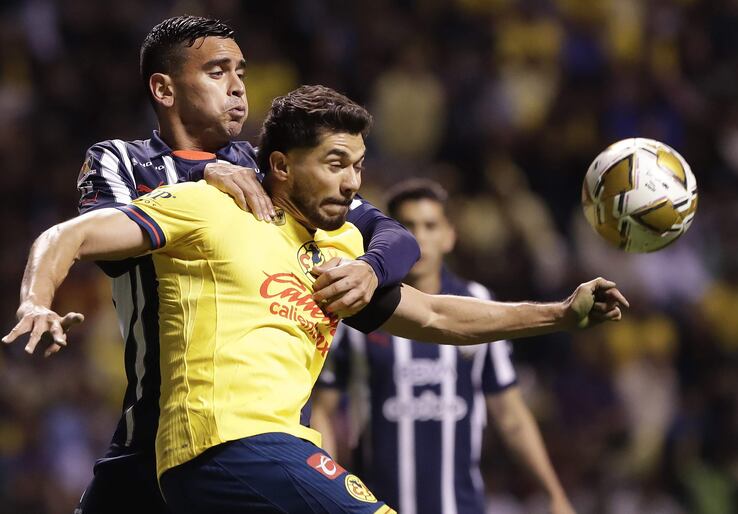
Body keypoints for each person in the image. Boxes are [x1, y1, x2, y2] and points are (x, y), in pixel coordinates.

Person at [4, 84, 627, 514]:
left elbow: (434, 314)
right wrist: (36, 299)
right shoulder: (211, 206)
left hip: (262, 458)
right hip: (225, 444)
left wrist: (559, 313)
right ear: (279, 164)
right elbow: (75, 233)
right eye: (335, 163)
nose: (352, 180)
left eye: (357, 165)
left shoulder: (339, 251)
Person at [68, 15, 419, 514]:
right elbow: (105, 243)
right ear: (164, 89)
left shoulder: (271, 168)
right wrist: (200, 172)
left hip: (250, 433)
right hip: (150, 431)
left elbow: (396, 236)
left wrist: (371, 268)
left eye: (241, 71)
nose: (237, 87)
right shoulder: (120, 161)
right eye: (217, 72)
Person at [312, 179, 577, 514]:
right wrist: (328, 494)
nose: (420, 236)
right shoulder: (357, 307)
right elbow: (324, 409)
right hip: (376, 505)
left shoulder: (479, 304)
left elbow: (511, 416)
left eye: (430, 225)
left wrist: (554, 494)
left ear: (449, 235)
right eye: (407, 226)